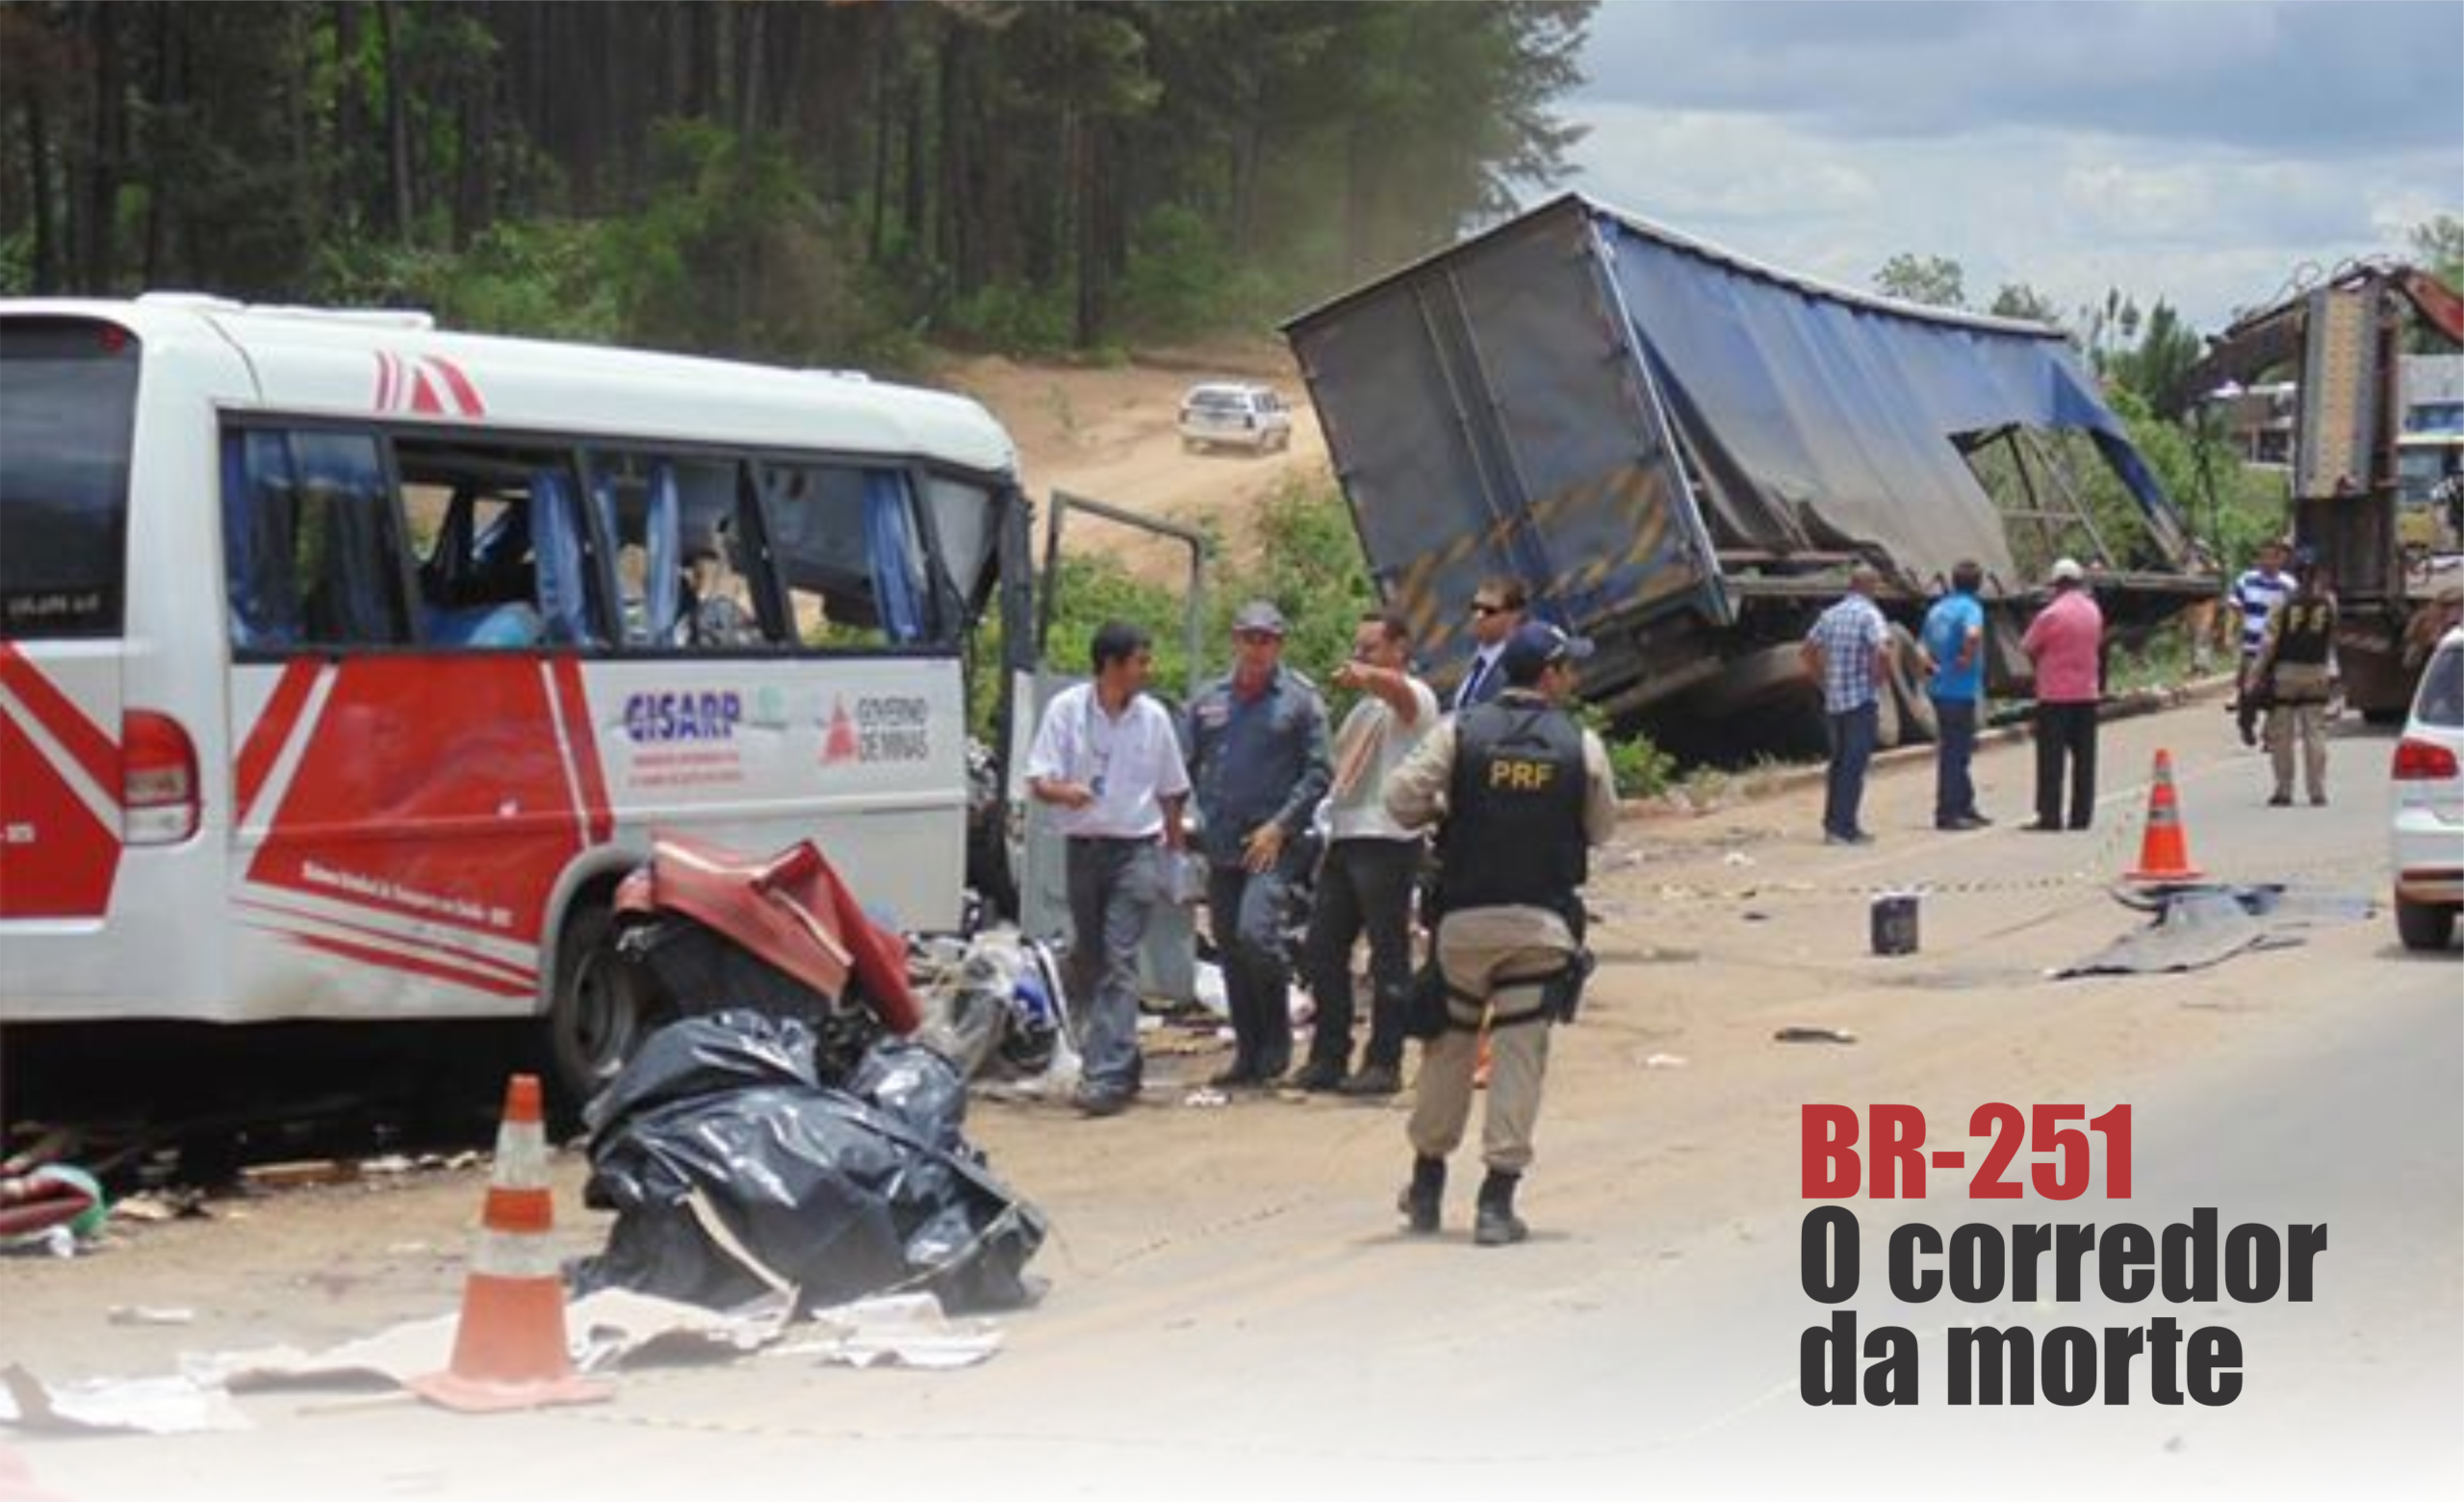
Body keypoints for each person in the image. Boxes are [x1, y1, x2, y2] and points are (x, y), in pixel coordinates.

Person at [1383, 621, 1618, 1246]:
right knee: (1518, 1056)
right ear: (1550, 674)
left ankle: (1427, 1185)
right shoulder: (1581, 745)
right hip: (1540, 925)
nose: (1574, 680)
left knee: (1448, 1048)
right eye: (1570, 669)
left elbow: (1400, 800)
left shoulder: (1459, 732)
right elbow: (1601, 830)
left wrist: (1448, 812)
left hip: (1464, 921)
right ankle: (1495, 1202)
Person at [1023, 620, 1192, 1116]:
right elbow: (1039, 779)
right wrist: (1066, 792)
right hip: (1084, 849)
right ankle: (1124, 1058)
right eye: (1140, 661)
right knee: (1093, 959)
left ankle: (1106, 1075)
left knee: (1120, 959)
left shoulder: (1154, 717)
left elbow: (1171, 791)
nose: (1148, 670)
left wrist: (1175, 854)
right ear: (1112, 665)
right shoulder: (1067, 711)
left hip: (1135, 850)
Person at [1292, 610, 1441, 1097]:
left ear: (1399, 649)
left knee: (1387, 955)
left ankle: (1385, 1060)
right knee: (1321, 950)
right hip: (1346, 836)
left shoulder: (1414, 698)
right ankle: (1329, 1054)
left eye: (1370, 648)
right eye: (1357, 649)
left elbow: (1398, 693)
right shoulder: (1362, 713)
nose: (1359, 658)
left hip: (1388, 838)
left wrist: (1371, 676)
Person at [1187, 601, 1331, 1089]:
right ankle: (1248, 1054)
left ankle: (1276, 1040)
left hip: (1273, 842)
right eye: (1248, 637)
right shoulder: (1209, 699)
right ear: (1235, 639)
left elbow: (1317, 774)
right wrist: (1185, 819)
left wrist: (1281, 826)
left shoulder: (1299, 700)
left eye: (1266, 639)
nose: (1256, 647)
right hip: (1222, 841)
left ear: (1279, 644)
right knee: (1229, 945)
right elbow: (1183, 763)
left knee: (1256, 935)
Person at [1799, 562, 1893, 845]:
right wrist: (1879, 679)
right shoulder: (1870, 614)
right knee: (1854, 766)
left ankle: (1832, 824)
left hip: (1835, 701)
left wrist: (1822, 681)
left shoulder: (1830, 615)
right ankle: (1845, 828)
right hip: (1860, 701)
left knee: (1838, 764)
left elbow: (1806, 651)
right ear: (1870, 587)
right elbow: (1883, 649)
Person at [2021, 557, 2105, 831]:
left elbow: (2028, 646)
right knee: (2085, 759)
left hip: (2054, 696)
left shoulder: (2051, 614)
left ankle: (2050, 816)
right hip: (2087, 694)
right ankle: (2081, 816)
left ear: (2056, 584)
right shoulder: (2093, 611)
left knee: (2051, 761)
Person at [2254, 558, 2337, 807]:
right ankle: (2317, 791)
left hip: (2286, 673)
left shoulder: (2282, 602)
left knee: (2283, 736)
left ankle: (2284, 789)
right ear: (2318, 575)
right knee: (2315, 733)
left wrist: (2255, 674)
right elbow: (2331, 639)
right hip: (2317, 672)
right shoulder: (2330, 603)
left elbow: (2268, 643)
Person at [1919, 559, 1991, 831]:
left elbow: (1922, 645)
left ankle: (1965, 805)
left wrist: (1931, 666)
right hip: (1960, 691)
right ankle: (1948, 812)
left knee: (1957, 751)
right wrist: (1965, 657)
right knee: (1955, 753)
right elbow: (1973, 635)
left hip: (1939, 687)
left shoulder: (1938, 609)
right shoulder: (1971, 608)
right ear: (1978, 584)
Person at [2227, 537, 2296, 747]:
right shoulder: (2246, 580)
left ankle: (2270, 735)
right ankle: (2246, 723)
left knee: (2277, 694)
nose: (2266, 562)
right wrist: (2230, 634)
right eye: (2262, 557)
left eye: (2271, 558)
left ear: (2280, 560)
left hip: (2278, 649)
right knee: (2249, 693)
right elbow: (2235, 608)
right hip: (2251, 648)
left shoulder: (2289, 585)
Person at [1450, 576, 1527, 711]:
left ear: (1514, 616)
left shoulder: (1519, 663)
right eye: (1475, 608)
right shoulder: (1473, 660)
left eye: (1488, 611)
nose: (1478, 616)